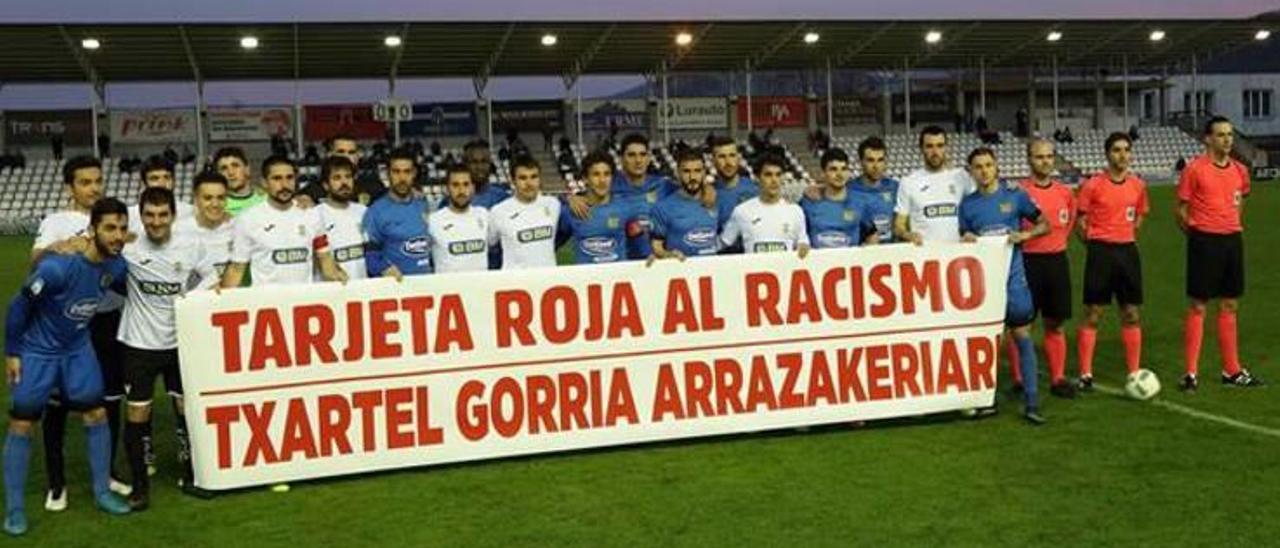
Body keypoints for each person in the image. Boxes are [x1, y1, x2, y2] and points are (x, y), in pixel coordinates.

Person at [4, 198, 134, 536]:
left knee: (97, 413)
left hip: (78, 350)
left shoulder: (116, 267)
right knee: (22, 423)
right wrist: (13, 352)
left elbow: (137, 287)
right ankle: (15, 510)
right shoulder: (57, 269)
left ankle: (102, 492)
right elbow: (18, 308)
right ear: (91, 231)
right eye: (110, 228)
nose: (118, 235)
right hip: (38, 353)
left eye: (122, 228)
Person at [30, 156, 132, 512]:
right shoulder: (56, 221)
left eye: (97, 180)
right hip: (65, 326)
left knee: (110, 399)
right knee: (57, 406)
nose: (93, 188)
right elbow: (35, 263)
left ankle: (107, 472)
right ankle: (57, 484)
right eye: (85, 182)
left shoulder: (114, 215)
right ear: (69, 187)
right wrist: (55, 249)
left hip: (108, 320)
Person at [117, 187, 218, 510]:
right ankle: (140, 486)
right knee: (138, 412)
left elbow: (213, 275)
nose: (156, 222)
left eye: (163, 215)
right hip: (138, 343)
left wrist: (188, 298)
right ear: (141, 216)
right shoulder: (129, 248)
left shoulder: (190, 245)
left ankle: (191, 474)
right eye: (149, 215)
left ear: (173, 216)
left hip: (179, 342)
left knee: (185, 408)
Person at [958, 148, 1051, 425]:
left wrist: (1027, 233)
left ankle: (1032, 403)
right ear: (971, 171)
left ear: (996, 167)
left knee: (1022, 335)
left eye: (988, 165)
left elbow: (1045, 224)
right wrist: (967, 238)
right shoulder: (967, 205)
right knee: (989, 342)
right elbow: (962, 236)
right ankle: (987, 399)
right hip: (984, 284)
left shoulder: (1015, 196)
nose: (984, 171)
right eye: (978, 167)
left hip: (1014, 280)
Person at [1175, 116, 1262, 390]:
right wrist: (1197, 234)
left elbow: (1240, 201)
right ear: (1208, 139)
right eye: (1221, 135)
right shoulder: (1195, 170)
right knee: (1199, 305)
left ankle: (1232, 370)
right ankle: (1190, 373)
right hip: (1204, 242)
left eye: (1229, 135)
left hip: (1232, 241)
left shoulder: (1240, 171)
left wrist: (1231, 225)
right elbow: (1180, 209)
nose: (1227, 140)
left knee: (1229, 304)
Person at [1075, 132, 1149, 391]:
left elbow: (1140, 215)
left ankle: (1134, 373)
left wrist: (1128, 235)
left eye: (1126, 150)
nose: (1122, 155)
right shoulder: (1093, 185)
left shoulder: (1138, 185)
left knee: (1131, 313)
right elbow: (1080, 220)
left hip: (1127, 252)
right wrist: (1096, 244)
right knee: (1094, 314)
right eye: (1117, 150)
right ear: (1107, 154)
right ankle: (1085, 373)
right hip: (1101, 253)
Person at [219, 156, 348, 289]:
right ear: (264, 182)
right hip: (266, 305)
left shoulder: (312, 215)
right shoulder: (248, 219)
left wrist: (341, 279)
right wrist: (216, 299)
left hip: (303, 304)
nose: (284, 185)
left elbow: (325, 260)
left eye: (289, 177)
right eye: (277, 178)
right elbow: (237, 269)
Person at [1014, 139, 1078, 398]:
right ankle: (1019, 380)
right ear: (1029, 159)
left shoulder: (1065, 193)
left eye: (1050, 156)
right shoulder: (1019, 193)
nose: (1046, 161)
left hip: (1056, 262)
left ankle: (1058, 378)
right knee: (1022, 322)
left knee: (1055, 321)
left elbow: (1069, 223)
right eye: (1040, 157)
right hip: (1026, 262)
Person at [566, 134, 676, 260]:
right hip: (623, 263)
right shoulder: (609, 183)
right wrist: (570, 198)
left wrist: (705, 189)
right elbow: (589, 194)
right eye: (631, 155)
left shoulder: (664, 185)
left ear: (648, 158)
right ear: (621, 158)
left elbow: (691, 194)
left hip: (655, 259)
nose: (638, 160)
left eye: (642, 154)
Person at [557, 152, 646, 265]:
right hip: (586, 280)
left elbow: (641, 248)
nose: (602, 180)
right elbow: (549, 245)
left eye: (607, 174)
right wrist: (567, 198)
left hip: (618, 279)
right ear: (585, 179)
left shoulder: (625, 208)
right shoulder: (572, 211)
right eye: (596, 174)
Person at [893, 126, 974, 246]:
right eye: (929, 146)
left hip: (956, 255)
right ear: (921, 148)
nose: (935, 152)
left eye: (940, 145)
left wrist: (968, 232)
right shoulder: (909, 182)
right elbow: (898, 225)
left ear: (946, 148)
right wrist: (908, 235)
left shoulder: (961, 177)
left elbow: (977, 206)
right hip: (924, 256)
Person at [649, 149, 733, 261]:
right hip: (680, 273)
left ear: (704, 172)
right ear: (678, 173)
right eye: (686, 171)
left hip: (711, 273)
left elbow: (725, 238)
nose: (692, 177)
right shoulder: (662, 208)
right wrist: (668, 255)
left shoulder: (716, 200)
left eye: (697, 171)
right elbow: (656, 246)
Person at [362, 148, 433, 279]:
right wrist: (384, 269)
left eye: (407, 172)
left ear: (414, 173)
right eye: (396, 172)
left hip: (427, 286)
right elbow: (369, 256)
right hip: (396, 289)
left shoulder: (423, 204)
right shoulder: (375, 212)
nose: (402, 178)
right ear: (387, 174)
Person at [721, 154, 810, 256]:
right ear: (757, 178)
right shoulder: (741, 211)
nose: (774, 180)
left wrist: (804, 246)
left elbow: (803, 241)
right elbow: (724, 243)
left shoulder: (795, 211)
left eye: (778, 175)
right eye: (768, 175)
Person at [488, 155, 561, 270]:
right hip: (515, 282)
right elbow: (488, 243)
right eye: (523, 178)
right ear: (513, 181)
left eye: (534, 177)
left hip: (547, 281)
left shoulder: (553, 205)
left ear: (540, 179)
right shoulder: (498, 211)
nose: (529, 183)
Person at [800, 148, 878, 249]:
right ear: (823, 173)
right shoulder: (808, 203)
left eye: (844, 169)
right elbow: (797, 235)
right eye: (833, 169)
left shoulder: (859, 203)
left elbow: (872, 235)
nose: (840, 174)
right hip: (818, 264)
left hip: (848, 263)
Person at [313, 156, 368, 281]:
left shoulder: (363, 211)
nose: (344, 183)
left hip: (363, 290)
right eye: (337, 178)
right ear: (326, 185)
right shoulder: (315, 215)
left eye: (348, 177)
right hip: (330, 294)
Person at [428, 165, 491, 273]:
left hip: (481, 288)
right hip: (447, 288)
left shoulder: (485, 215)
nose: (461, 190)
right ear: (447, 189)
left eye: (466, 184)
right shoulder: (433, 221)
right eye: (455, 185)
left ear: (473, 188)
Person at [849, 137, 900, 243]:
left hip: (892, 253)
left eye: (880, 160)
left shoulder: (895, 187)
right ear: (861, 161)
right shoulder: (849, 189)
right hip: (862, 253)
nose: (876, 166)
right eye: (870, 160)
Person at [213, 147, 265, 217]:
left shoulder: (266, 199)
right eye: (224, 168)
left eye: (235, 166)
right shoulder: (216, 207)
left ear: (247, 169)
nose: (230, 172)